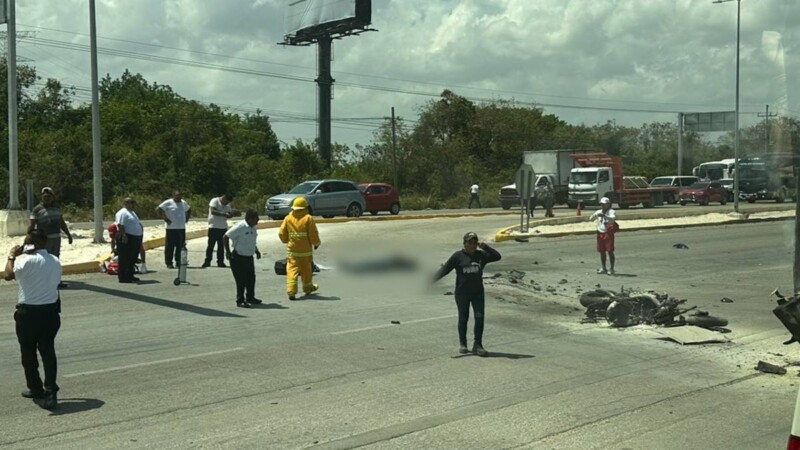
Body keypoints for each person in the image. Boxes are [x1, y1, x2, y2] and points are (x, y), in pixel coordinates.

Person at [5, 229, 62, 410]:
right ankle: (51, 390)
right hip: (50, 313)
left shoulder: (26, 262)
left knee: (28, 353)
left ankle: (36, 388)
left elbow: (8, 275)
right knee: (48, 352)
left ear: (31, 244)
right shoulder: (55, 261)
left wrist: (12, 256)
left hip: (28, 315)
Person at [433, 232, 501, 357]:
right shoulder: (457, 256)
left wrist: (485, 247)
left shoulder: (481, 256)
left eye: (475, 243)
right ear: (464, 244)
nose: (473, 245)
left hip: (478, 293)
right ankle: (463, 344)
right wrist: (432, 280)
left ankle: (478, 345)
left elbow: (497, 256)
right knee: (463, 318)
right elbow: (445, 269)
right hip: (462, 293)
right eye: (470, 243)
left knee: (479, 318)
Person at [28, 187, 72, 288]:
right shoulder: (37, 209)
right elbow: (31, 225)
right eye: (44, 196)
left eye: (48, 196)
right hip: (44, 240)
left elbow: (62, 223)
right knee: (44, 260)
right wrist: (29, 237)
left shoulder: (56, 208)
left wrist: (68, 235)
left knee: (55, 260)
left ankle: (56, 281)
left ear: (53, 197)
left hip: (56, 238)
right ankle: (44, 281)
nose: (46, 198)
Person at [278, 197, 320, 301]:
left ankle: (291, 291)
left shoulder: (288, 218)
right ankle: (307, 288)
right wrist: (316, 243)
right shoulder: (308, 218)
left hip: (292, 251)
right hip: (305, 252)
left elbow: (281, 233)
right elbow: (313, 234)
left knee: (292, 271)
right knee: (306, 271)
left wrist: (286, 241)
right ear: (305, 207)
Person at [223, 210, 262, 308]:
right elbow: (225, 237)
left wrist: (256, 251)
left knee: (251, 278)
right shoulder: (240, 227)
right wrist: (228, 252)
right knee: (240, 280)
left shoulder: (253, 228)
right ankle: (240, 300)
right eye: (256, 219)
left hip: (248, 257)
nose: (258, 221)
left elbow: (252, 241)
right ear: (250, 219)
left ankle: (250, 297)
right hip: (237, 257)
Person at [156, 190, 191, 269]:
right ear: (173, 195)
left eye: (180, 195)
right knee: (170, 246)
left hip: (181, 228)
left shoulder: (183, 202)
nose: (179, 197)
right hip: (171, 228)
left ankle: (179, 262)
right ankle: (169, 263)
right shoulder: (168, 202)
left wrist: (187, 218)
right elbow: (158, 209)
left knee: (180, 246)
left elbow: (188, 209)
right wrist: (165, 218)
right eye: (177, 195)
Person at [115, 198, 144, 283]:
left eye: (133, 203)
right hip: (127, 237)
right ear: (125, 203)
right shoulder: (122, 213)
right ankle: (123, 277)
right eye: (131, 203)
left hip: (135, 238)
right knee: (125, 258)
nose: (133, 205)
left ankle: (130, 275)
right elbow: (120, 225)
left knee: (132, 257)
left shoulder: (132, 213)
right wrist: (124, 235)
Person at [203, 194, 233, 268]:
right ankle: (207, 261)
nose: (226, 204)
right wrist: (223, 214)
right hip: (213, 227)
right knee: (210, 245)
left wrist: (230, 215)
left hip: (223, 227)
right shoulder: (215, 201)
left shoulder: (228, 205)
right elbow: (213, 211)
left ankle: (220, 261)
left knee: (221, 246)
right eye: (226, 202)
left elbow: (229, 212)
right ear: (224, 198)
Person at [589, 197, 617, 275]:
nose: (603, 206)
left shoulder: (611, 212)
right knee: (602, 251)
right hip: (600, 233)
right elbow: (590, 219)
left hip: (608, 233)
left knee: (610, 251)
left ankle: (611, 268)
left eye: (605, 204)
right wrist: (595, 215)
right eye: (602, 204)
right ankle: (603, 267)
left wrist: (604, 215)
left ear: (608, 204)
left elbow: (612, 219)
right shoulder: (599, 211)